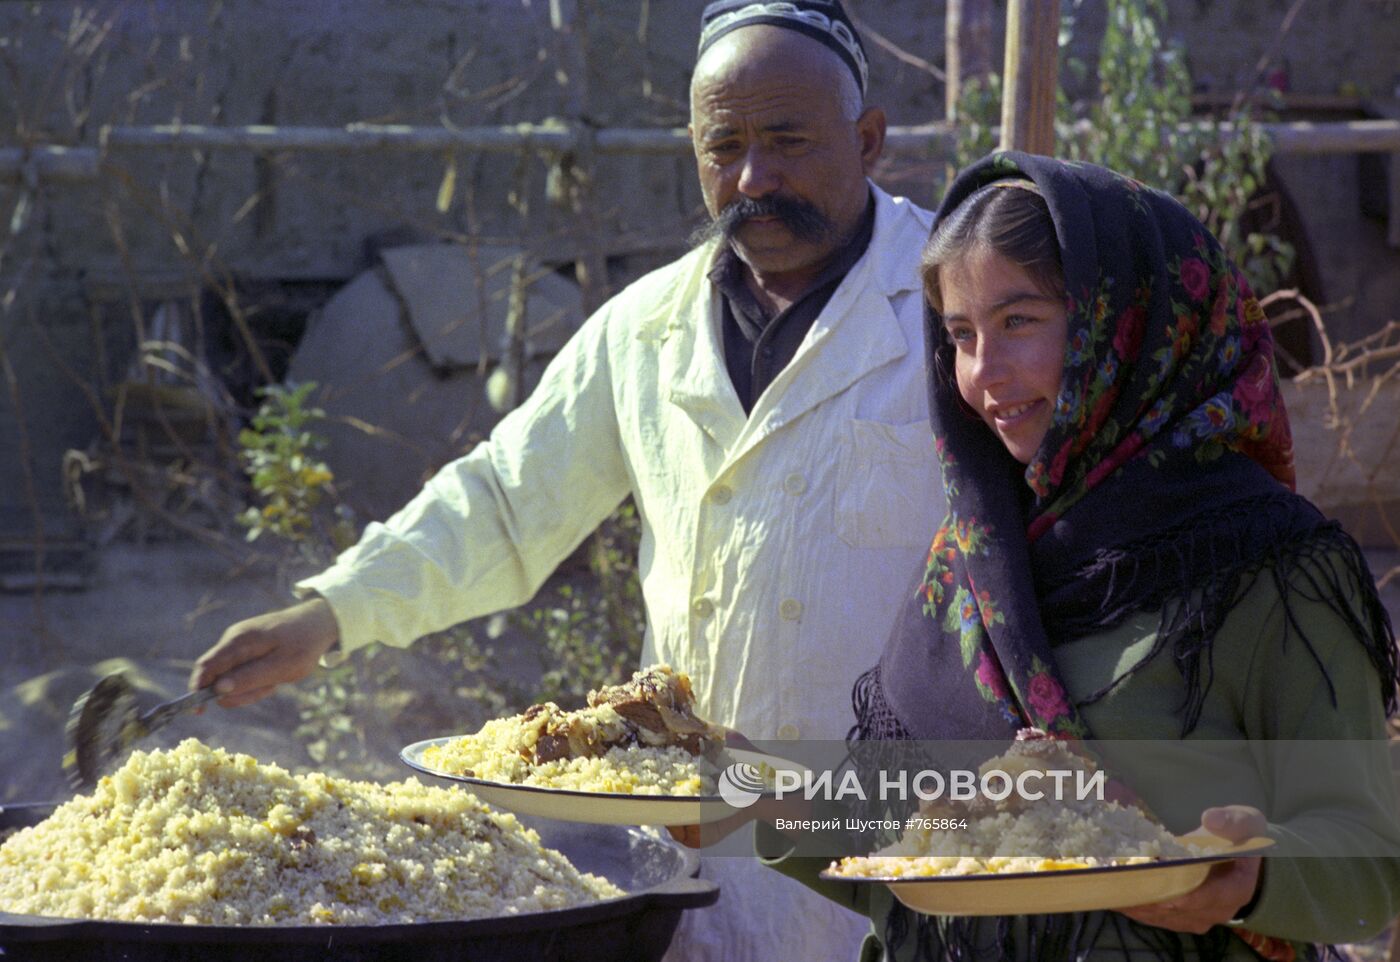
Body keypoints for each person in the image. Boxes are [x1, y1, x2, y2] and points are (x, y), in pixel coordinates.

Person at [191, 3, 944, 959]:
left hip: (904, 858)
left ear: (869, 139)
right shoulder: (644, 329)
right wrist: (329, 614)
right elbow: (508, 502)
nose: (756, 177)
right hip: (694, 871)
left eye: (790, 141)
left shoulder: (951, 307)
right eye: (726, 147)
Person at [765, 152, 1400, 960]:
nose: (982, 374)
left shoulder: (1265, 562)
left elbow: (1369, 860)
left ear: (1122, 324)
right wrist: (759, 802)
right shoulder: (972, 563)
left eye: (1019, 321)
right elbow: (898, 854)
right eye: (959, 335)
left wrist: (1251, 877)